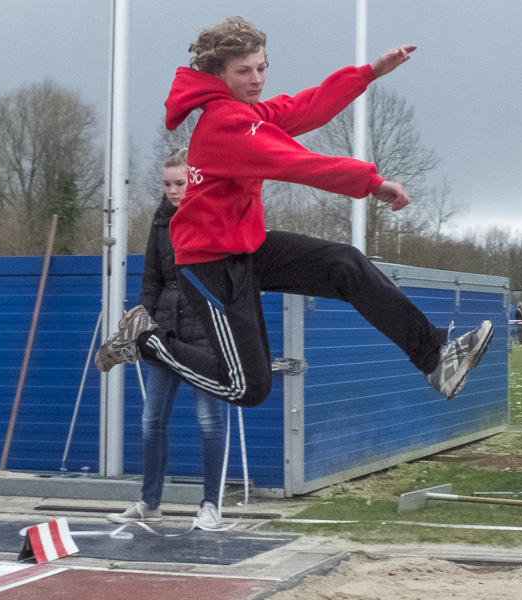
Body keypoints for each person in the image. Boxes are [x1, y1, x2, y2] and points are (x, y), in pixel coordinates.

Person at [95, 17, 492, 405]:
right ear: (219, 75)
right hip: (208, 263)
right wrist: (371, 183)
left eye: (262, 68)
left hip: (246, 247)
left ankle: (436, 357)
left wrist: (367, 73)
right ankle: (144, 340)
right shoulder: (225, 124)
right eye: (244, 71)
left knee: (345, 264)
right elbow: (296, 163)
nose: (256, 79)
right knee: (247, 388)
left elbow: (302, 108)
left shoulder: (245, 113)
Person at [107, 149, 226, 530]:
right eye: (167, 184)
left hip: (205, 335)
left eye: (180, 183)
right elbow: (151, 279)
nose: (173, 190)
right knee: (151, 419)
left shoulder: (214, 214)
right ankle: (149, 501)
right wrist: (142, 328)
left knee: (208, 419)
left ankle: (211, 505)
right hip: (162, 332)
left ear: (195, 180)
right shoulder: (160, 222)